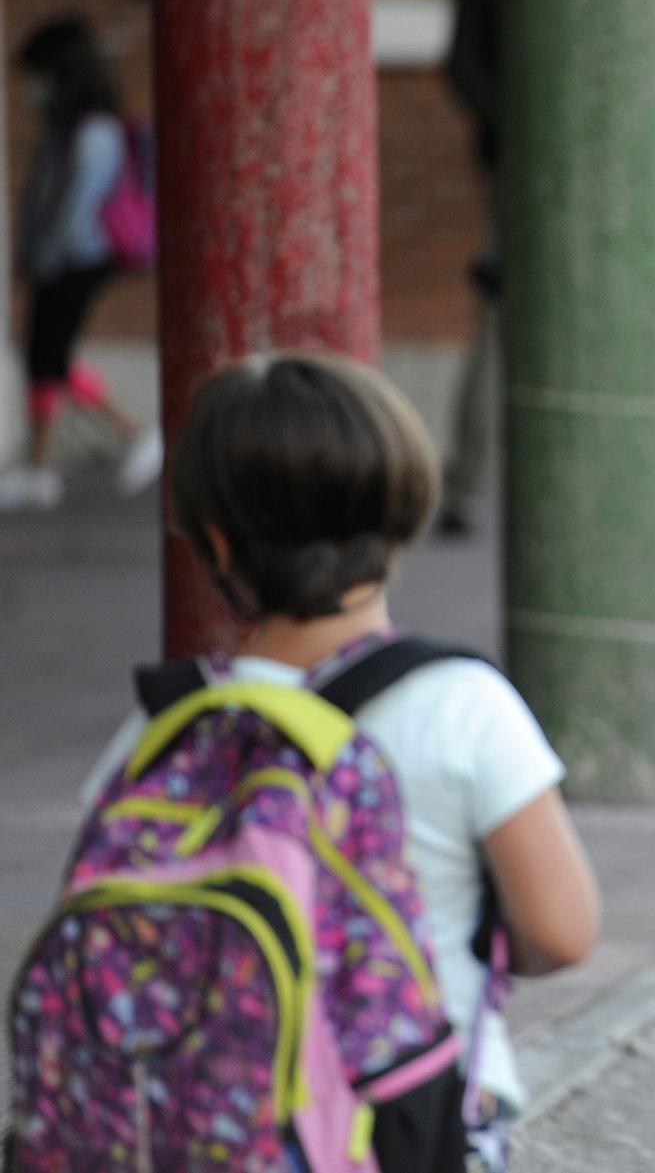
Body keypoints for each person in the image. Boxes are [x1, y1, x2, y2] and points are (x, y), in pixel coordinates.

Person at [80, 353, 601, 1170]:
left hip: (201, 1129)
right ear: (404, 515)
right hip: (407, 1125)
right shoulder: (464, 704)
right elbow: (561, 931)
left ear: (214, 542)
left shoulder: (160, 728)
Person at [0, 14, 160, 511]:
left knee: (52, 355)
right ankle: (42, 467)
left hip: (78, 259)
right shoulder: (64, 132)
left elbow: (73, 212)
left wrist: (40, 260)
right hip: (58, 260)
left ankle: (131, 436)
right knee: (46, 357)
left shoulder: (93, 134)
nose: (33, 90)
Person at [439, 0, 502, 537]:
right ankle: (467, 485)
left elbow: (460, 63)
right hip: (522, 175)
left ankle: (467, 486)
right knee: (499, 323)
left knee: (498, 325)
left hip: (514, 166)